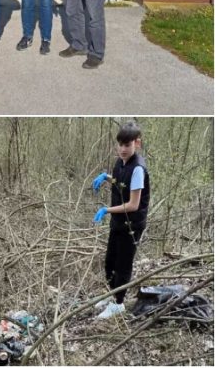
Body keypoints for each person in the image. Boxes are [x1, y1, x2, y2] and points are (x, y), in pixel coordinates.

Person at [92, 122, 150, 319]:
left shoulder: (138, 169)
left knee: (123, 264)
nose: (123, 149)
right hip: (118, 222)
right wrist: (107, 177)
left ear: (137, 144)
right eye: (120, 145)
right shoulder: (120, 163)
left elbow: (133, 204)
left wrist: (106, 209)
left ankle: (118, 303)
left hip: (132, 224)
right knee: (110, 263)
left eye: (128, 145)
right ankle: (112, 295)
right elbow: (120, 183)